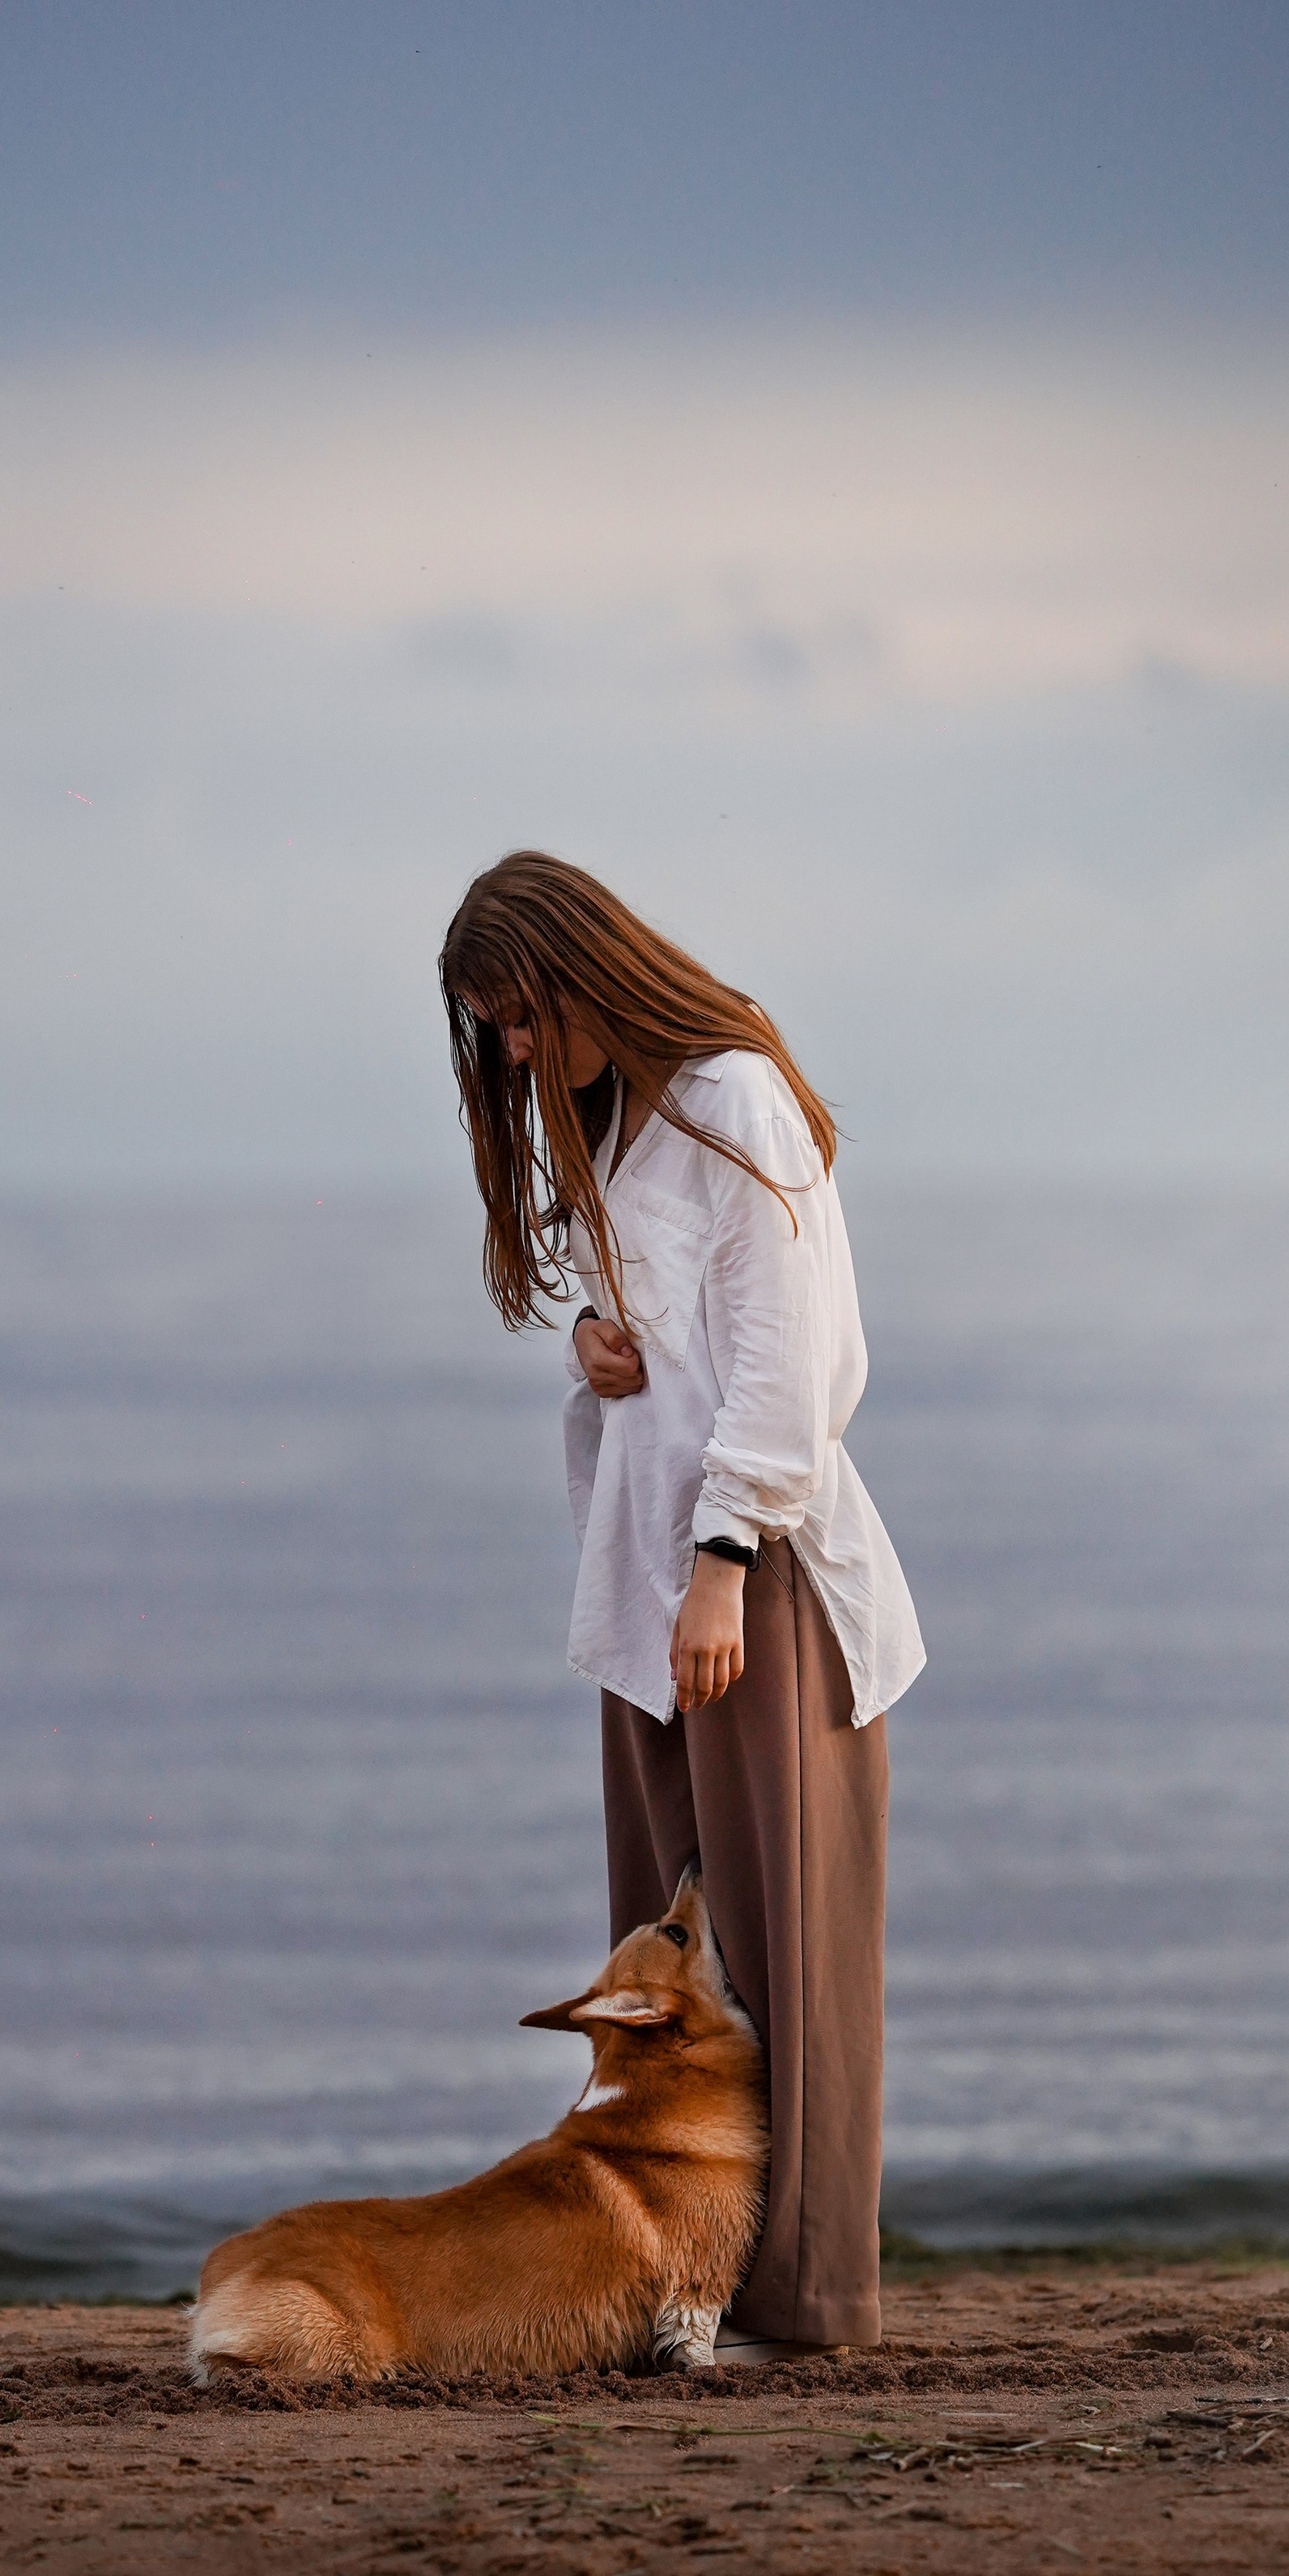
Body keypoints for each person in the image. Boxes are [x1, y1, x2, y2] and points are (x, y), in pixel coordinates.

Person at [441, 851, 924, 2360]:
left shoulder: (735, 1100)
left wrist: (724, 1564)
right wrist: (592, 1339)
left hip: (751, 1585)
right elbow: (672, 1342)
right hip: (648, 1585)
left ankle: (803, 2301)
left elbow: (794, 1357)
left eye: (525, 1017)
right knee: (666, 1971)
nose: (520, 1051)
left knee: (782, 1956)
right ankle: (666, 2285)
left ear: (586, 972)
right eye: (498, 1033)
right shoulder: (610, 1122)